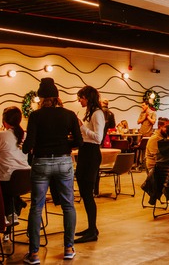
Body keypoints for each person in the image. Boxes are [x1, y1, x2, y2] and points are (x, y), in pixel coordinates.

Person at [22, 78, 82, 264]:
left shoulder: (35, 116)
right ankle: (69, 249)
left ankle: (34, 254)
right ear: (57, 97)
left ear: (41, 98)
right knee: (68, 206)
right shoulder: (69, 115)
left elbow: (27, 146)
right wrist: (65, 145)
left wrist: (31, 146)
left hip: (41, 162)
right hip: (64, 161)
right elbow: (79, 142)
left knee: (36, 207)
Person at [74, 85, 105, 244]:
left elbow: (98, 138)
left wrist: (81, 127)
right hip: (85, 151)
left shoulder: (97, 113)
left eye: (81, 97)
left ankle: (92, 230)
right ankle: (91, 227)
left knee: (87, 193)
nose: (80, 100)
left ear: (88, 98)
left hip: (91, 153)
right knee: (84, 191)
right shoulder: (90, 112)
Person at [0, 106, 31, 226]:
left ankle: (6, 214)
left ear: (4, 120)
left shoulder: (0, 135)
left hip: (8, 182)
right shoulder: (25, 135)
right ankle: (15, 208)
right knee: (7, 183)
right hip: (27, 180)